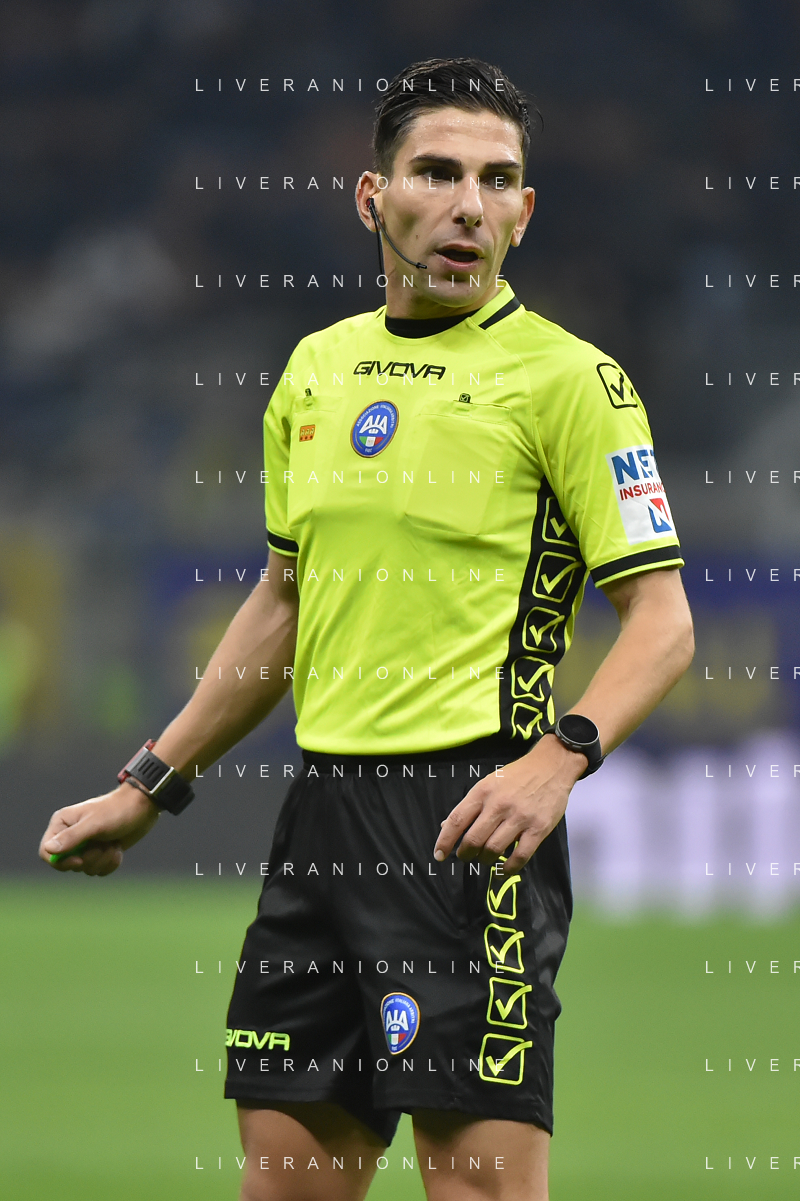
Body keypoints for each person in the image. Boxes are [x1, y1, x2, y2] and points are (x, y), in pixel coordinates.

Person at [39, 57, 694, 1201]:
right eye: (436, 173)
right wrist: (150, 782)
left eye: (496, 180)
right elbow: (285, 601)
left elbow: (663, 622)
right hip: (321, 819)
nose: (468, 205)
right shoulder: (316, 370)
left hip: (468, 825)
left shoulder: (570, 384)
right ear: (371, 196)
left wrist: (555, 761)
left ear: (524, 211)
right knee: (282, 1186)